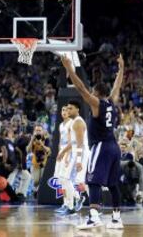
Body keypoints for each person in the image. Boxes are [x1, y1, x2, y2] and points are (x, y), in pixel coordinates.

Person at [61, 53, 124, 229]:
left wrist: (69, 69)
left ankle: (94, 216)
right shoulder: (112, 102)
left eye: (93, 93)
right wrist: (121, 69)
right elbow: (117, 86)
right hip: (114, 147)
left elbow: (81, 88)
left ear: (96, 93)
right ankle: (117, 218)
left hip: (101, 146)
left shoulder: (97, 104)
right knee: (112, 184)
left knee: (93, 181)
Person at [56, 101, 88, 215]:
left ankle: (73, 204)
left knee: (69, 179)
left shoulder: (78, 122)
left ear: (77, 110)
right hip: (75, 153)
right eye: (67, 108)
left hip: (80, 154)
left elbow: (80, 144)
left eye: (70, 109)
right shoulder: (74, 122)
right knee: (64, 178)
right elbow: (73, 142)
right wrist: (63, 152)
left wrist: (78, 161)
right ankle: (73, 202)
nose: (68, 111)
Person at [54, 105, 73, 213]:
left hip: (68, 152)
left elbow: (71, 142)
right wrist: (58, 153)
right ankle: (65, 203)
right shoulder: (61, 125)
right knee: (61, 180)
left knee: (66, 179)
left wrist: (67, 156)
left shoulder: (71, 123)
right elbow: (60, 141)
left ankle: (71, 205)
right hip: (61, 152)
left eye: (66, 110)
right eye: (62, 109)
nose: (64, 111)